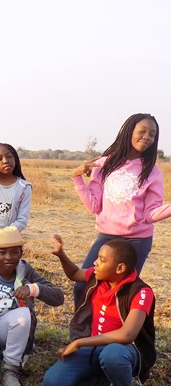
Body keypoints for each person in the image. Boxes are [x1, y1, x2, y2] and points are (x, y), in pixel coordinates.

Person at [44, 236, 155, 386]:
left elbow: (128, 335)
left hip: (124, 351)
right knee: (53, 384)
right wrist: (61, 255)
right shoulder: (97, 277)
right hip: (94, 345)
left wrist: (79, 342)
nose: (95, 262)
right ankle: (102, 380)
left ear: (120, 268)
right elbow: (74, 273)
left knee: (112, 354)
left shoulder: (141, 292)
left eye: (102, 260)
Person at [72, 113, 171, 304]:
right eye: (142, 131)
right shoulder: (103, 164)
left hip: (137, 240)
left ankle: (115, 324)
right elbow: (93, 206)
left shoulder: (152, 172)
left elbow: (150, 215)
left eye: (152, 134)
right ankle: (82, 324)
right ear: (129, 131)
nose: (147, 137)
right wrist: (77, 178)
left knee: (121, 294)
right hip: (107, 237)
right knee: (83, 287)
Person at [0, 226, 64, 386]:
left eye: (14, 252)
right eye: (2, 252)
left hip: (12, 326)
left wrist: (32, 289)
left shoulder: (26, 271)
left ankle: (10, 368)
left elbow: (58, 297)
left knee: (23, 315)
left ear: (21, 253)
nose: (8, 257)